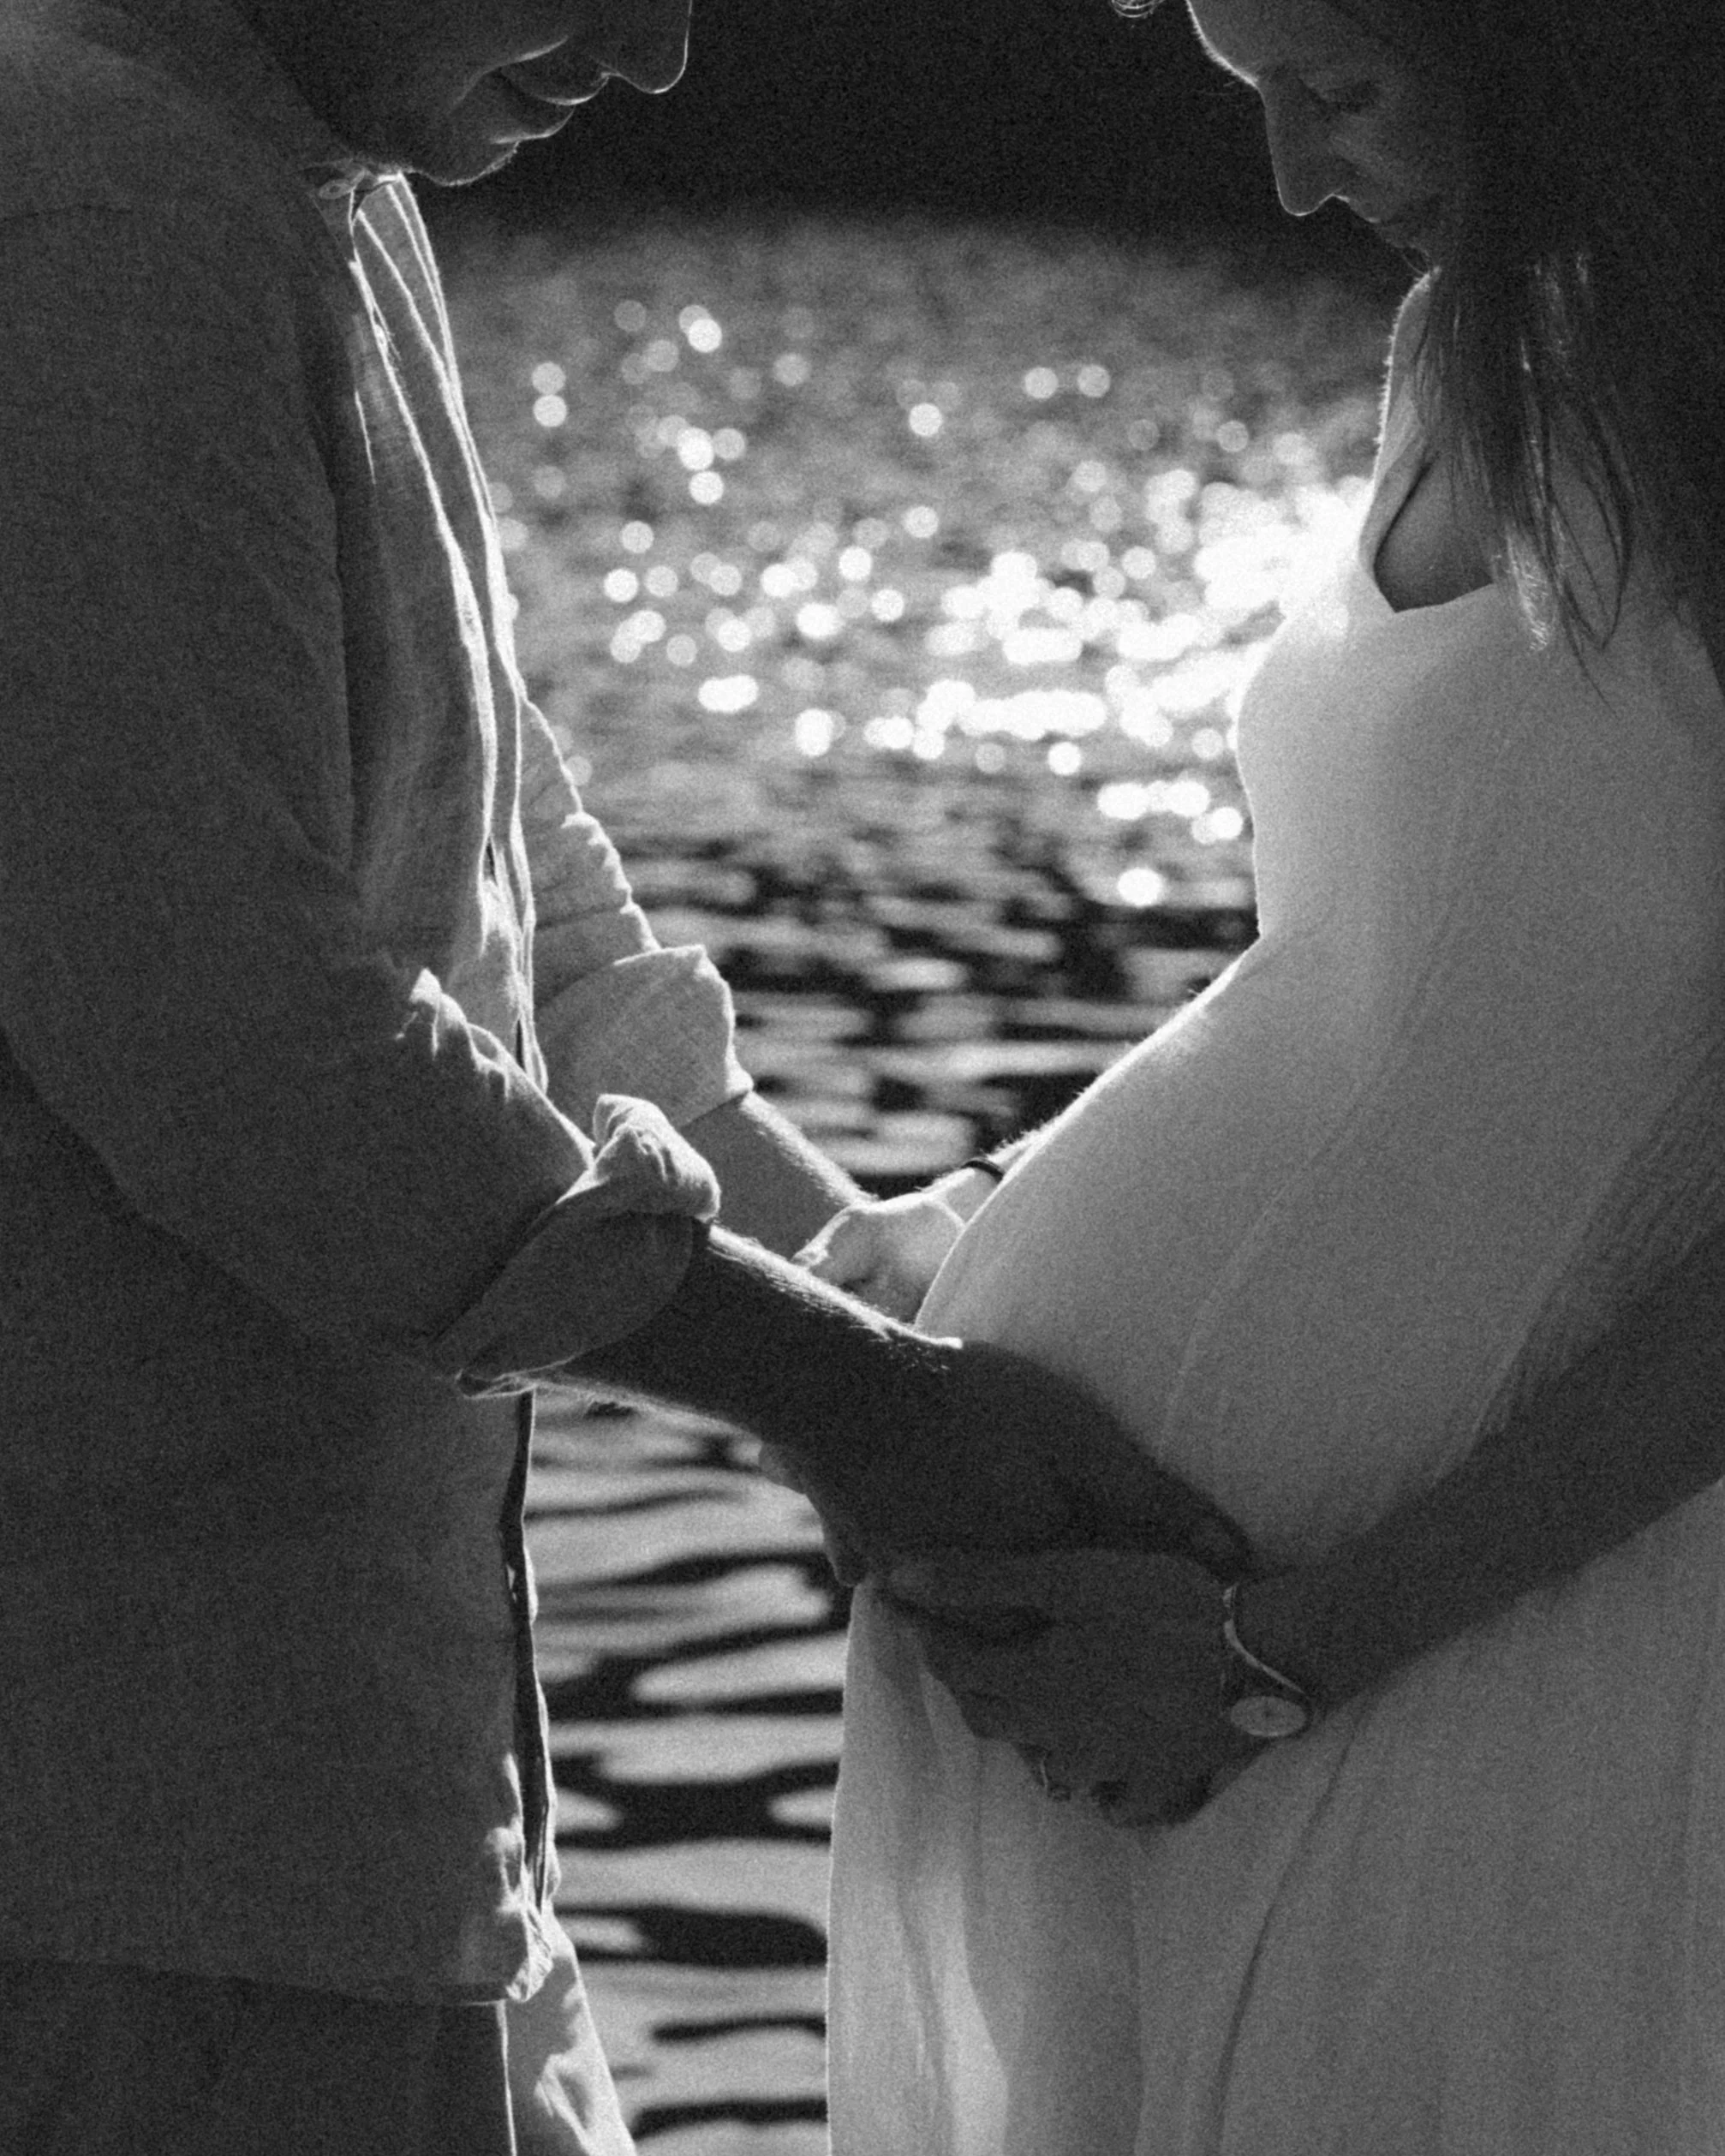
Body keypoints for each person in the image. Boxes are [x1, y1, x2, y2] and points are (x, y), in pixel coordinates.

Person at [0, 2, 1249, 2148]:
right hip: (133, 1857)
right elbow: (250, 1046)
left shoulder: (298, 180)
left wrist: (846, 1265)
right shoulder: (88, 209)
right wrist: (855, 1405)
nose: (667, 55)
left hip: (363, 1818)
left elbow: (507, 873)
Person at [815, 0, 1725, 2148]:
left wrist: (1274, 1656)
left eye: (1338, 89)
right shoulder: (1468, 348)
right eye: (1249, 100)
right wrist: (991, 1222)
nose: (1291, 180)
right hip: (1169, 1676)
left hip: (1439, 1647)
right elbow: (1405, 981)